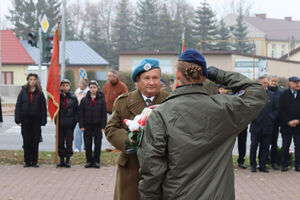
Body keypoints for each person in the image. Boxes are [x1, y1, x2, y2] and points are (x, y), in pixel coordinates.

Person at [137, 49, 267, 200]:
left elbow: (152, 167)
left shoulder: (161, 114)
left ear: (178, 75)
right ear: (204, 77)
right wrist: (218, 74)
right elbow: (257, 93)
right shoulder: (224, 108)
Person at [105, 58, 169, 200]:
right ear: (137, 81)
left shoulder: (170, 101)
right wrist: (128, 140)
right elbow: (111, 128)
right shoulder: (124, 102)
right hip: (131, 167)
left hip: (160, 168)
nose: (151, 82)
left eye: (155, 78)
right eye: (146, 78)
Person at [15, 73, 47, 167]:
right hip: (25, 120)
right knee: (26, 140)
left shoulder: (40, 92)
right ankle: (27, 161)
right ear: (28, 80)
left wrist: (43, 119)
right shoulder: (23, 92)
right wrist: (17, 119)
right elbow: (18, 106)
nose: (32, 81)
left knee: (35, 140)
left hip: (36, 120)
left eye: (34, 79)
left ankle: (34, 161)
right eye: (30, 79)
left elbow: (43, 107)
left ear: (36, 81)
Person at [249, 76, 275, 173]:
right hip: (256, 125)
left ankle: (262, 165)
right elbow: (249, 109)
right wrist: (254, 118)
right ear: (259, 84)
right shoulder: (253, 95)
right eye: (264, 83)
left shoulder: (272, 95)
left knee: (265, 147)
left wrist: (272, 118)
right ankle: (253, 165)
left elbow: (276, 109)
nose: (266, 84)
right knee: (254, 146)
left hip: (268, 125)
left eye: (266, 82)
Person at [79, 80, 107, 168]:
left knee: (97, 144)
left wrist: (103, 126)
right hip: (87, 126)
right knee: (87, 144)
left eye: (94, 87)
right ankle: (89, 161)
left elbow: (104, 114)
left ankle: (96, 161)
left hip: (98, 126)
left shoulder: (102, 100)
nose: (92, 89)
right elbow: (81, 114)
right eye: (91, 87)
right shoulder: (84, 100)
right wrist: (81, 125)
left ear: (97, 88)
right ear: (89, 88)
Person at [279, 76, 300, 172]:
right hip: (286, 126)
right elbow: (281, 110)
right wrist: (288, 121)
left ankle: (298, 165)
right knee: (286, 145)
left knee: (298, 145)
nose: (298, 84)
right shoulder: (283, 94)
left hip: (298, 125)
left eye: (299, 82)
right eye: (295, 83)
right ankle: (284, 164)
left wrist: (298, 120)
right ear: (290, 83)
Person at [56, 79, 79, 168]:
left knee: (69, 142)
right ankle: (61, 159)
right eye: (63, 85)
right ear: (60, 86)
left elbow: (77, 110)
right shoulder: (57, 97)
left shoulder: (73, 97)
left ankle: (68, 159)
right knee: (60, 142)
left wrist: (74, 121)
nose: (65, 87)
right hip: (60, 124)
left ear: (69, 87)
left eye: (66, 85)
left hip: (70, 124)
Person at [268, 75, 281, 170]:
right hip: (265, 122)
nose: (274, 83)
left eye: (275, 81)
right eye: (272, 81)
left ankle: (274, 162)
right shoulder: (264, 91)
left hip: (275, 122)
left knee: (274, 143)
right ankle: (262, 161)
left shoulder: (280, 92)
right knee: (264, 143)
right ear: (269, 81)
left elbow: (280, 107)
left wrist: (273, 117)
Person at [74, 79, 89, 152]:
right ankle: (77, 147)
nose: (79, 85)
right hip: (79, 114)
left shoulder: (89, 92)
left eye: (80, 84)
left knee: (87, 133)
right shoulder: (77, 92)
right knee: (77, 132)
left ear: (83, 85)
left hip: (87, 114)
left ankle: (87, 147)